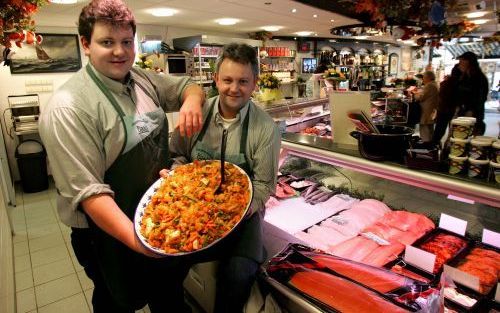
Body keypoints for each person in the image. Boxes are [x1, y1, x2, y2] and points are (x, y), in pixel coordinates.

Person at [38, 0, 204, 312]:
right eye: (107, 42)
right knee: (115, 300)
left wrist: (191, 102)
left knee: (167, 295)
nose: (120, 51)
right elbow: (90, 194)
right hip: (107, 234)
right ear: (86, 45)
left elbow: (187, 86)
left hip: (153, 215)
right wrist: (142, 241)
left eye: (127, 42)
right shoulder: (68, 108)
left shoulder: (140, 79)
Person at [169, 43, 281, 313]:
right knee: (164, 262)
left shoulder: (265, 129)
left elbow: (265, 186)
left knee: (238, 273)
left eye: (243, 81)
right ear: (216, 79)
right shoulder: (196, 114)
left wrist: (234, 213)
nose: (234, 88)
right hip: (194, 209)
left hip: (243, 218)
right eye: (228, 80)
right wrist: (175, 172)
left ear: (254, 83)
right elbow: (178, 155)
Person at [456, 51, 489, 135]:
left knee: (468, 137)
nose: (459, 64)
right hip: (463, 112)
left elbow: (480, 98)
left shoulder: (478, 78)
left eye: (461, 61)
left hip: (472, 114)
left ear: (468, 62)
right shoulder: (465, 76)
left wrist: (470, 109)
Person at [432, 65, 462, 145]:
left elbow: (441, 98)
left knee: (439, 132)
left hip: (443, 110)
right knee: (456, 134)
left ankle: (434, 148)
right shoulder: (459, 85)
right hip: (452, 110)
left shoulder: (445, 83)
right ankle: (445, 149)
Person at [412, 71, 439, 142]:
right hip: (431, 110)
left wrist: (414, 94)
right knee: (430, 129)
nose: (423, 79)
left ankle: (426, 145)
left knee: (425, 130)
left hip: (426, 111)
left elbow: (421, 97)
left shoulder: (429, 85)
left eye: (424, 77)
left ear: (428, 78)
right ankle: (430, 145)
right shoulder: (435, 84)